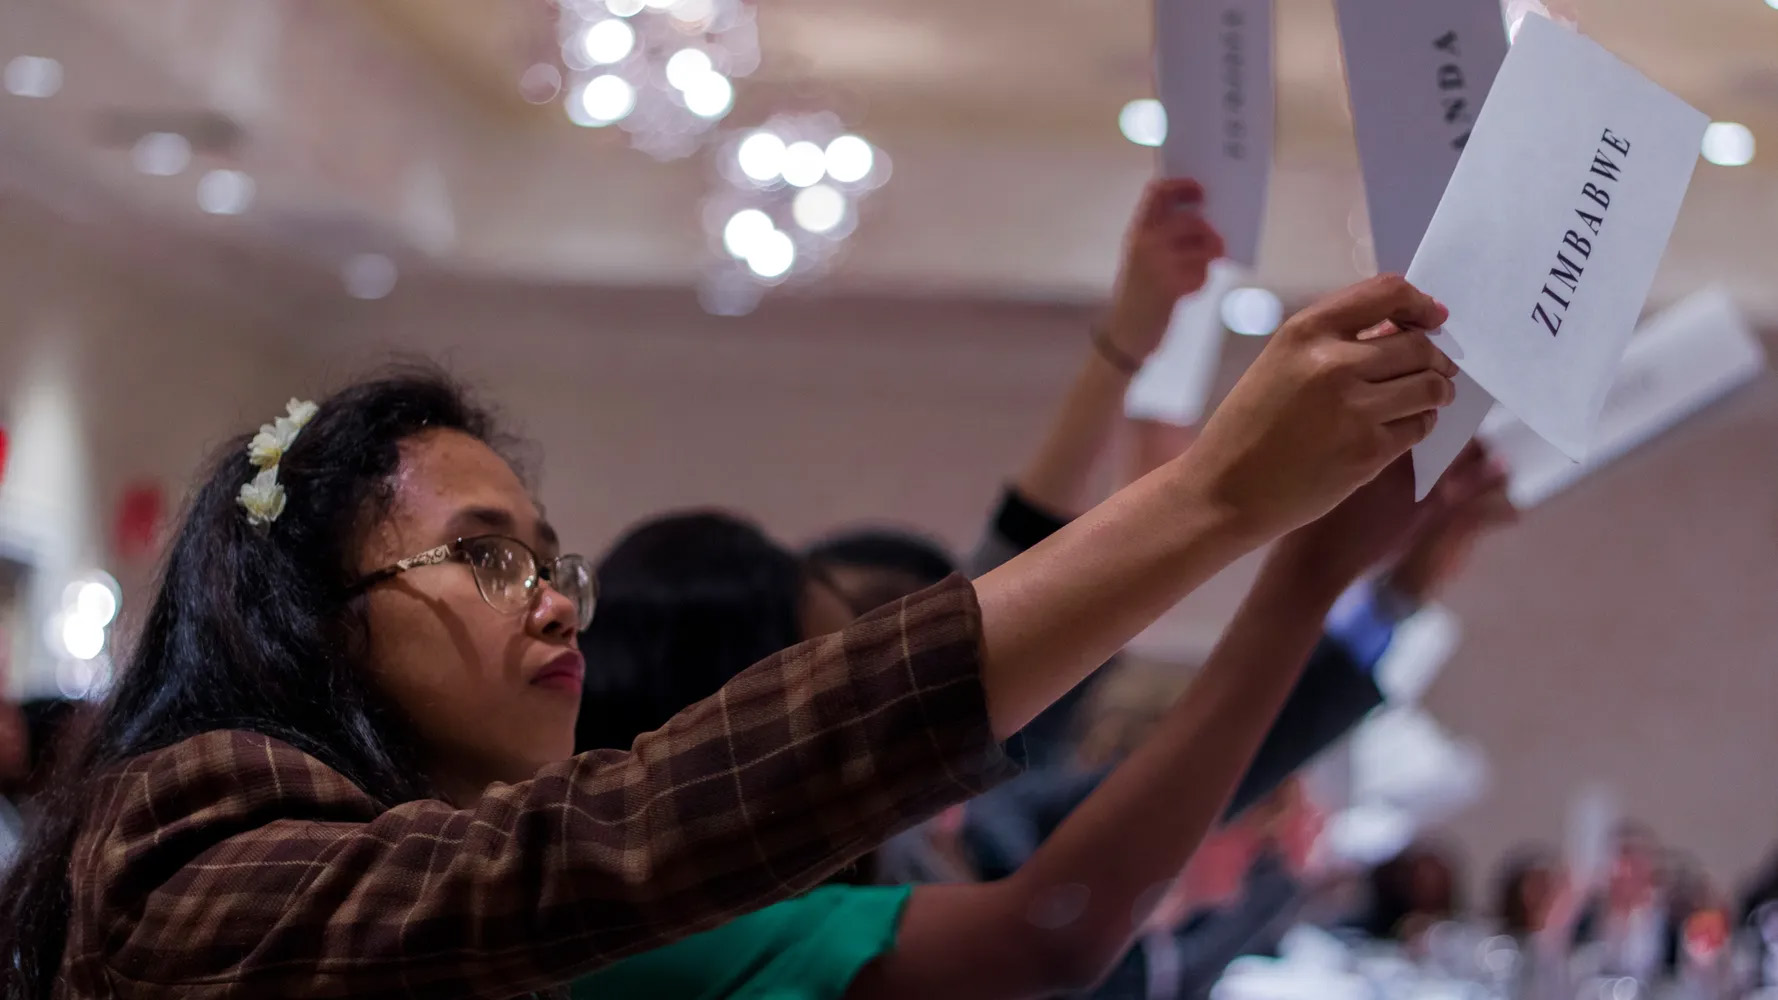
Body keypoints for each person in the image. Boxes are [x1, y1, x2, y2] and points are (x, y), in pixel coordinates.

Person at [0, 258, 1463, 997]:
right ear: (309, 626)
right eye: (485, 559)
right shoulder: (181, 849)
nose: (560, 595)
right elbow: (620, 836)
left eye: (550, 554)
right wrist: (1213, 501)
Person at [573, 445, 1450, 999]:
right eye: (824, 689)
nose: (872, 707)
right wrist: (1304, 575)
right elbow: (1053, 934)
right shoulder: (653, 923)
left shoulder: (956, 837)